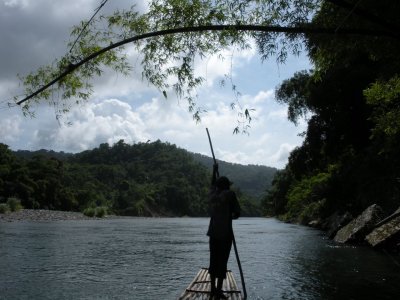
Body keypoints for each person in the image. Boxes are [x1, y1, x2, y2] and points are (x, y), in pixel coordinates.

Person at [207, 163, 240, 299]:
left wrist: (214, 171)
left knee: (213, 260)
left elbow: (212, 185)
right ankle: (219, 289)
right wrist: (231, 215)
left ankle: (213, 289)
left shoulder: (212, 195)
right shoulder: (230, 195)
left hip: (213, 233)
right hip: (225, 234)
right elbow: (237, 213)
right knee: (222, 261)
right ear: (227, 186)